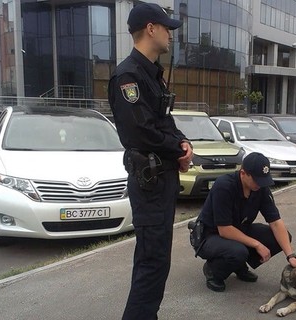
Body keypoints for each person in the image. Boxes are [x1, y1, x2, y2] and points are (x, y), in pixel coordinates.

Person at [107, 3, 192, 320]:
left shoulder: (151, 74)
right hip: (150, 181)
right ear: (151, 29)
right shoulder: (129, 75)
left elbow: (162, 121)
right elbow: (140, 131)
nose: (170, 34)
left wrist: (183, 144)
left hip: (161, 178)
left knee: (156, 260)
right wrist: (175, 148)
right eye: (166, 27)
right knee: (152, 261)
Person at [196, 152, 296, 292]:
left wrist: (291, 256)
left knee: (282, 237)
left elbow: (275, 222)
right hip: (210, 236)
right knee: (238, 251)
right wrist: (257, 244)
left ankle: (238, 265)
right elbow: (224, 230)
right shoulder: (224, 186)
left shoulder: (260, 188)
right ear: (243, 173)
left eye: (263, 180)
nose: (260, 184)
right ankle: (213, 270)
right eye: (257, 180)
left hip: (239, 230)